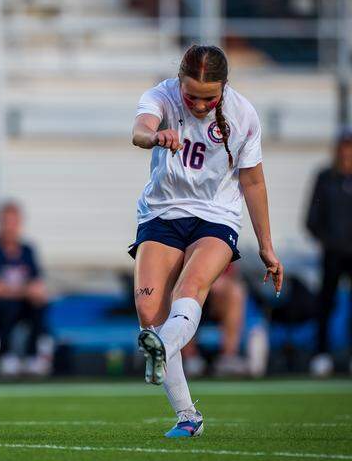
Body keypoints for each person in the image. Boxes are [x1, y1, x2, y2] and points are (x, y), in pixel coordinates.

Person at [129, 45, 283, 438]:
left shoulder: (243, 115)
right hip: (162, 213)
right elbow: (139, 131)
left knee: (191, 286)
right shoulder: (160, 95)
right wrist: (155, 135)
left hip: (216, 215)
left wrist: (266, 245)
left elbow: (252, 180)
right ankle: (188, 416)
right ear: (179, 82)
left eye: (209, 98)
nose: (198, 105)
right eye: (191, 95)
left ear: (224, 88)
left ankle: (161, 347)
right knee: (149, 310)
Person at [0, 201, 52, 377]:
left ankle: (33, 355)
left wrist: (31, 292)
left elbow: (37, 284)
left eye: (14, 222)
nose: (10, 228)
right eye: (6, 222)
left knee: (39, 305)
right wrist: (23, 291)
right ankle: (6, 355)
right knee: (8, 306)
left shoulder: (27, 250)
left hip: (23, 304)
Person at [306, 129, 352, 377]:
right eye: (344, 146)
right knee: (325, 304)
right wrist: (328, 240)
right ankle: (321, 354)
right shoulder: (325, 178)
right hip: (332, 253)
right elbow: (311, 219)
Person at [182, 264, 249, 378]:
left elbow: (230, 272)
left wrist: (211, 282)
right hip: (185, 286)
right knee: (182, 291)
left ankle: (228, 357)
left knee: (236, 292)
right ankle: (189, 358)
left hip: (216, 296)